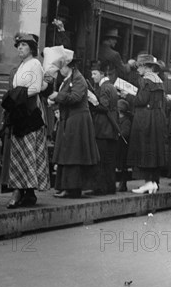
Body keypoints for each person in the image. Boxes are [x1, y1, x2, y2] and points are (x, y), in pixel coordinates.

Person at [1, 33, 50, 208]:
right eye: (18, 45)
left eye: (23, 45)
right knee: (19, 153)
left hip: (31, 113)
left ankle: (20, 191)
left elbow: (36, 88)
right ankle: (27, 193)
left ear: (31, 48)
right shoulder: (21, 66)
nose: (20, 48)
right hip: (20, 112)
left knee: (28, 152)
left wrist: (15, 97)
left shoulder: (35, 64)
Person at [47, 54, 100, 198]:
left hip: (77, 120)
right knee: (69, 153)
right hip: (71, 119)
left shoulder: (78, 79)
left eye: (62, 66)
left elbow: (75, 98)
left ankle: (71, 188)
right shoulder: (70, 79)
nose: (60, 70)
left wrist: (57, 97)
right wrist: (56, 100)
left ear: (70, 66)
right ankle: (67, 187)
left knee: (72, 154)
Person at [128, 54, 167, 194]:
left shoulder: (145, 80)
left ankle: (148, 183)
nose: (138, 69)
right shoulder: (158, 80)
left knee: (144, 149)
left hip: (145, 119)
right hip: (157, 118)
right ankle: (153, 182)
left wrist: (127, 95)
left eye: (139, 67)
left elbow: (141, 100)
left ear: (145, 67)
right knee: (153, 150)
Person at [90, 61, 119, 195]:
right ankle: (110, 187)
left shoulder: (104, 88)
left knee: (101, 160)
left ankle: (100, 188)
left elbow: (103, 106)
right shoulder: (111, 86)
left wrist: (92, 102)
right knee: (109, 161)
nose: (93, 77)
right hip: (111, 129)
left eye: (95, 74)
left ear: (102, 74)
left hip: (103, 128)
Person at [116, 99, 132, 192]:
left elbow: (125, 133)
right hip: (119, 147)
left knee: (123, 167)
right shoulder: (120, 120)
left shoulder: (126, 121)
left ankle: (123, 184)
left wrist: (119, 133)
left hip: (123, 148)